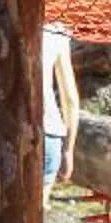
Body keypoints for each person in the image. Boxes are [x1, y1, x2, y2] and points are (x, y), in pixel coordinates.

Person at [40, 18, 80, 203]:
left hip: (5, 131)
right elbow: (70, 97)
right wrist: (68, 150)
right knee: (34, 219)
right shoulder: (56, 31)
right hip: (48, 133)